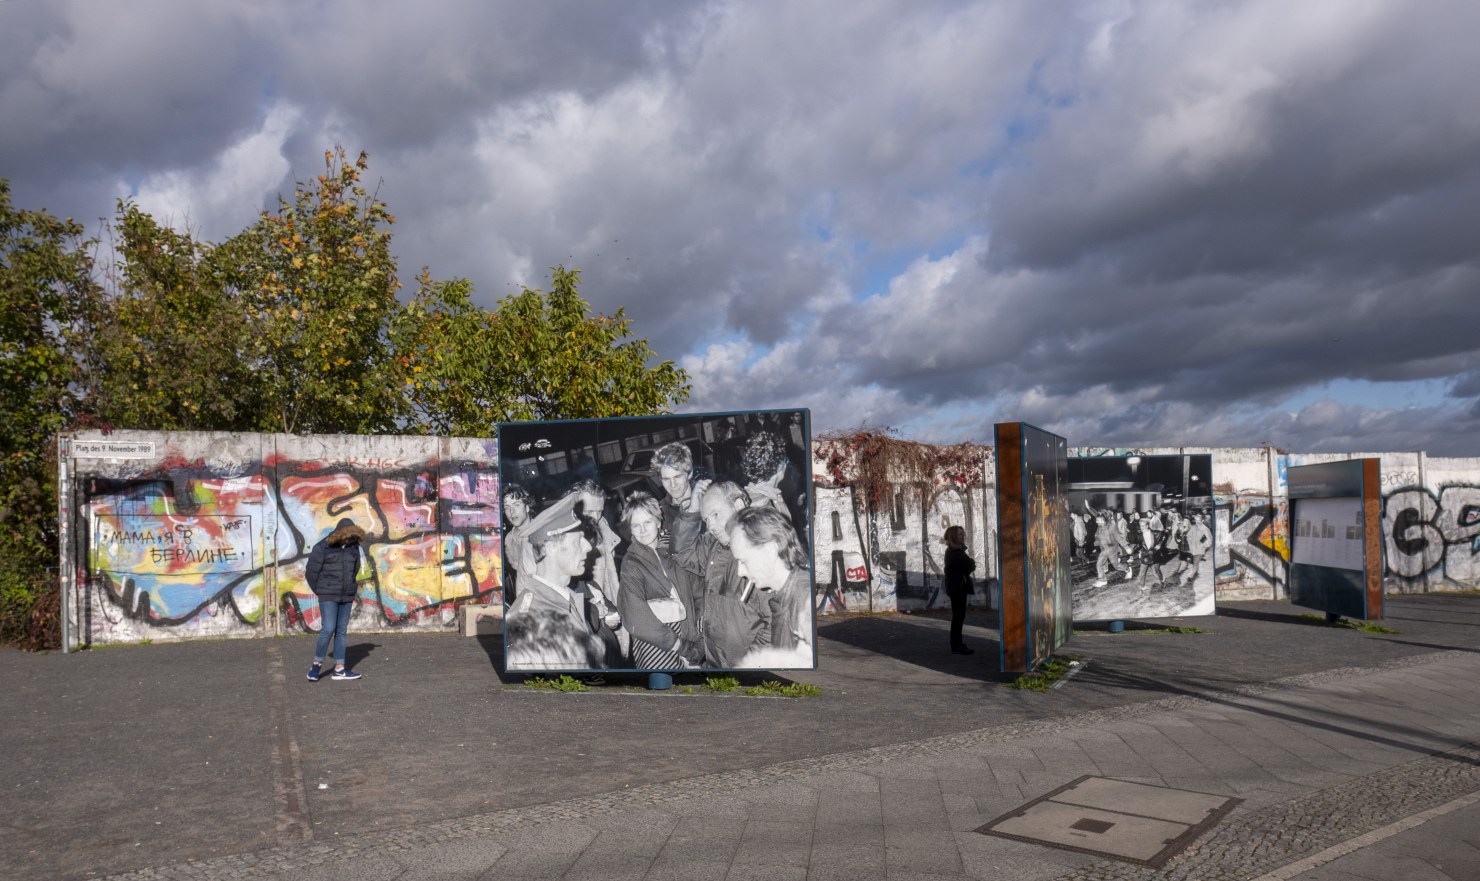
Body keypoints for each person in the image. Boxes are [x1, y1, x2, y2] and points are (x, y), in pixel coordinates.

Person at [673, 481, 773, 667]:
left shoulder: (764, 550)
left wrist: (746, 665)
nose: (711, 526)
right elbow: (682, 552)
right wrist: (692, 510)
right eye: (706, 520)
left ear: (739, 505)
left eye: (716, 514)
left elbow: (777, 624)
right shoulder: (714, 546)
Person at [504, 496, 607, 670]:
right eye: (577, 540)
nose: (588, 547)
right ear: (551, 548)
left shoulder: (561, 597)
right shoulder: (531, 621)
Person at [617, 492, 703, 669]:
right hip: (655, 647)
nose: (642, 530)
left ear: (658, 521)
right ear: (630, 529)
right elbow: (636, 617)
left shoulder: (675, 551)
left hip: (690, 639)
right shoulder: (631, 563)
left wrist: (699, 640)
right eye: (636, 525)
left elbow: (698, 594)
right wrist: (681, 646)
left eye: (647, 522)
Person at [730, 505, 813, 666]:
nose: (740, 572)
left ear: (770, 550)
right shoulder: (784, 596)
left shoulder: (803, 599)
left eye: (744, 561)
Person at [305, 518, 366, 681]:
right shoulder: (323, 547)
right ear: (340, 533)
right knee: (328, 629)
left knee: (341, 631)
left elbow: (355, 569)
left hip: (346, 595)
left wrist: (351, 587)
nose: (349, 538)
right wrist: (321, 591)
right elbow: (311, 573)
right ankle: (316, 665)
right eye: (347, 535)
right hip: (328, 595)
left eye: (352, 535)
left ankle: (339, 669)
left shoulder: (354, 548)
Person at [942, 524, 976, 655]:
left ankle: (957, 644)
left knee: (959, 617)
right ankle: (957, 645)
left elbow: (969, 565)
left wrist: (970, 564)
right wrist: (970, 564)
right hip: (957, 588)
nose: (963, 536)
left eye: (963, 534)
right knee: (958, 617)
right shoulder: (954, 553)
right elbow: (969, 565)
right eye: (960, 534)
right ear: (954, 536)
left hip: (958, 587)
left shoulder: (957, 551)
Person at [501, 484, 536, 605]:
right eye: (507, 507)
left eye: (516, 505)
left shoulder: (541, 531)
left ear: (527, 507)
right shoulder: (508, 540)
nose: (511, 511)